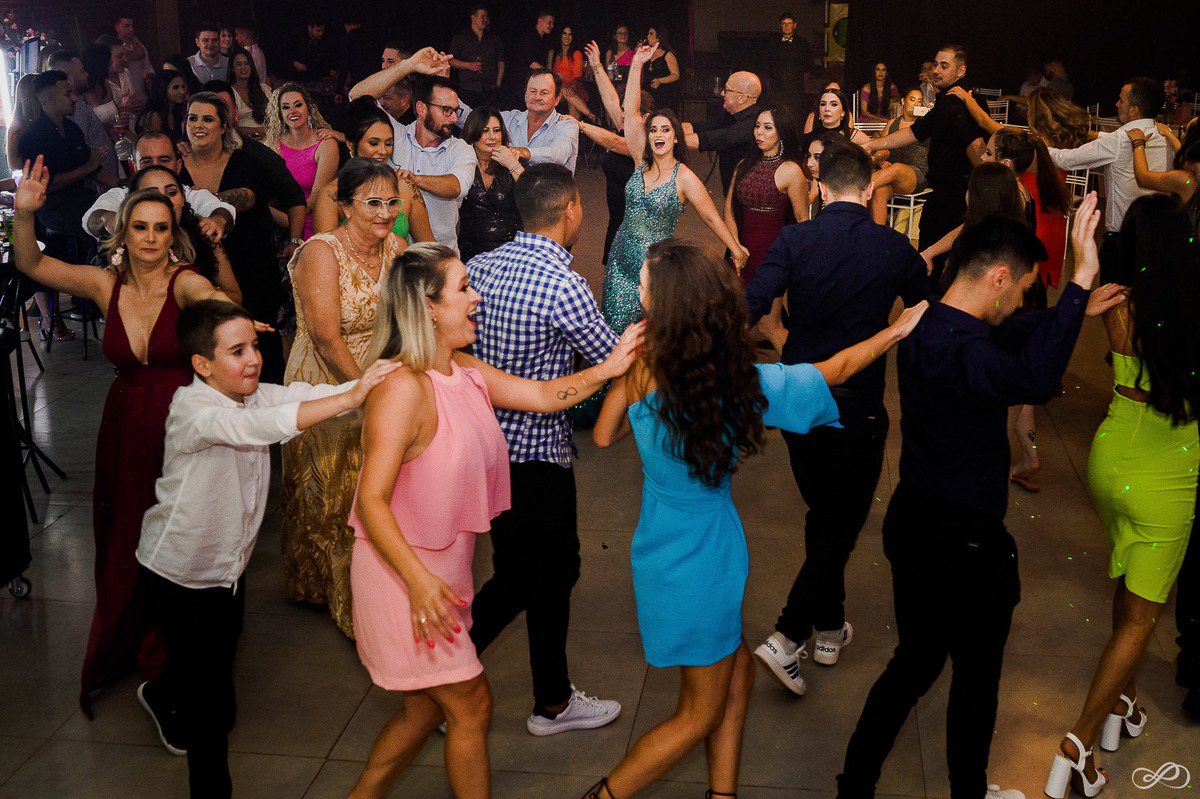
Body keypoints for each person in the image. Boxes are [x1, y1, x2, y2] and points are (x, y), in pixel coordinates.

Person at [587, 239, 927, 799]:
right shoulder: (739, 383)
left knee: (738, 673)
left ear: (667, 304)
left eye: (645, 285)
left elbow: (603, 435)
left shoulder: (643, 366)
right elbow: (835, 368)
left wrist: (628, 387)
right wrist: (893, 332)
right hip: (707, 553)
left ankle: (723, 795)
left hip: (662, 544)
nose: (636, 290)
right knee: (696, 715)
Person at [835, 205, 1126, 799]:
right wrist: (1077, 284)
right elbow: (1034, 379)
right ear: (997, 276)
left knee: (914, 663)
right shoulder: (963, 354)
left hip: (913, 521)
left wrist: (1071, 315)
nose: (1021, 302)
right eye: (1020, 289)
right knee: (975, 681)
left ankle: (853, 787)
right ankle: (968, 791)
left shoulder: (929, 323)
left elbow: (1006, 331)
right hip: (965, 545)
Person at [345, 243, 641, 799]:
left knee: (419, 715)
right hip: (406, 580)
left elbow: (543, 397)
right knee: (472, 705)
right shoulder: (400, 391)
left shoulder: (461, 370)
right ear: (429, 308)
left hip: (442, 578)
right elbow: (371, 502)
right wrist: (417, 580)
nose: (477, 296)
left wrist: (610, 366)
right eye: (463, 288)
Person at [134, 300, 398, 796]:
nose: (254, 359)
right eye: (237, 351)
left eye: (254, 346)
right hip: (179, 575)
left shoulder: (251, 394)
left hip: (228, 571)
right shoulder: (194, 410)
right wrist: (353, 397)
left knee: (215, 673)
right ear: (202, 365)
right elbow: (260, 429)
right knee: (211, 713)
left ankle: (163, 688)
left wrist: (370, 384)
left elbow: (300, 394)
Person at [11, 158, 233, 716]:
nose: (152, 237)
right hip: (123, 425)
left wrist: (233, 327)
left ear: (173, 234)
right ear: (123, 232)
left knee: (176, 542)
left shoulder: (186, 282)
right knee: (125, 536)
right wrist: (25, 212)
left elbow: (211, 303)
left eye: (162, 227)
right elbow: (31, 261)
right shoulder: (103, 285)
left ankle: (168, 658)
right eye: (141, 226)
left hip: (180, 428)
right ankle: (134, 640)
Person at [745, 143, 928, 697]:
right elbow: (929, 315)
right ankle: (787, 635)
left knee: (825, 516)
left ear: (821, 188)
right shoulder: (894, 248)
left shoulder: (796, 239)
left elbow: (752, 299)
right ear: (869, 190)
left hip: (799, 402)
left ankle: (829, 629)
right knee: (840, 526)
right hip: (858, 404)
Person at [1045, 193, 1200, 798]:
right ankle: (1077, 746)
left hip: (1112, 455)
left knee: (1127, 577)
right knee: (1144, 613)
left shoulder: (1118, 300)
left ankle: (1122, 708)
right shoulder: (1191, 307)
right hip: (1170, 462)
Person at [464, 164, 627, 737]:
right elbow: (612, 362)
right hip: (537, 457)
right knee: (545, 573)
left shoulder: (479, 267)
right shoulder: (563, 283)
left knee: (522, 571)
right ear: (572, 210)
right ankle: (541, 701)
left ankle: (530, 694)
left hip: (486, 450)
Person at [279, 159, 409, 636]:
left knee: (371, 489)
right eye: (372, 202)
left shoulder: (397, 247)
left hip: (377, 379)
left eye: (391, 202)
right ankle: (325, 591)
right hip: (327, 385)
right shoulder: (321, 251)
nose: (383, 212)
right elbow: (325, 337)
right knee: (329, 493)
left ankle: (369, 593)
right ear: (345, 204)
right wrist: (365, 395)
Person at [603, 44, 747, 339]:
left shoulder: (684, 177)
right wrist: (638, 65)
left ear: (675, 137)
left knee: (650, 338)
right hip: (620, 258)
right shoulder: (639, 160)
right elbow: (630, 111)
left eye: (666, 130)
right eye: (654, 129)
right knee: (614, 332)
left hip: (656, 268)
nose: (658, 135)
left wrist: (734, 248)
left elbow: (710, 217)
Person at [178, 92, 289, 382]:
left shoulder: (243, 161)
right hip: (200, 268)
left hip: (250, 266)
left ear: (223, 125)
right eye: (192, 118)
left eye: (207, 119)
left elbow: (249, 198)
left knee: (259, 344)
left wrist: (195, 202)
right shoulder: (176, 166)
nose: (198, 125)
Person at [864, 46, 987, 283]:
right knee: (936, 267)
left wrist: (984, 186)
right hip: (944, 194)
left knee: (940, 270)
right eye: (935, 64)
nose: (936, 70)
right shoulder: (946, 101)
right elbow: (915, 132)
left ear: (961, 71)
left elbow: (977, 145)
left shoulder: (958, 102)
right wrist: (872, 146)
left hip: (957, 197)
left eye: (944, 66)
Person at [1050, 78, 1173, 281]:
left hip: (1124, 241)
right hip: (1158, 238)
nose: (1116, 104)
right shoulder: (1166, 134)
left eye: (1121, 100)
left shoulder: (1118, 139)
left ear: (1134, 110)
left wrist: (1037, 145)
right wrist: (1095, 135)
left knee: (1114, 305)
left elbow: (1065, 160)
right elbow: (1116, 141)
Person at [724, 104, 808, 349]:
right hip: (740, 253)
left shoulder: (791, 171)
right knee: (732, 322)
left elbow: (803, 221)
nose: (759, 132)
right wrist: (734, 247)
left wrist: (799, 265)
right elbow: (729, 208)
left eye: (767, 127)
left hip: (772, 257)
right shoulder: (744, 164)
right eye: (757, 126)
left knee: (769, 326)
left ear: (781, 132)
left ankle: (804, 378)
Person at [311, 99, 434, 242]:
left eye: (388, 143)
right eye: (373, 143)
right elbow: (325, 255)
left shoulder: (404, 186)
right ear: (351, 144)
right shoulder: (332, 194)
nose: (383, 151)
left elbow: (429, 247)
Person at [84, 130, 235, 245]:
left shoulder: (188, 194)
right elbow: (92, 219)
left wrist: (218, 220)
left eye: (164, 160)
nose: (155, 167)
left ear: (178, 166)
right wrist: (108, 219)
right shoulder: (120, 195)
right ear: (134, 167)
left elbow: (222, 210)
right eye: (146, 161)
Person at [18, 71, 117, 243]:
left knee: (123, 213)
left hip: (83, 199)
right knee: (102, 229)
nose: (74, 98)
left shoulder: (72, 129)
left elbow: (95, 170)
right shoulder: (32, 137)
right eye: (67, 94)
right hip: (54, 208)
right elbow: (44, 185)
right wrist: (85, 169)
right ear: (48, 99)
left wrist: (131, 185)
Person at [577, 41, 653, 265]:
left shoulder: (643, 141)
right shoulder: (624, 121)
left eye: (628, 112)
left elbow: (613, 142)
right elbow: (610, 99)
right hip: (616, 220)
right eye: (622, 111)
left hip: (635, 224)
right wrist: (597, 65)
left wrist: (580, 125)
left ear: (646, 117)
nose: (621, 115)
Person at [127, 166, 242, 302]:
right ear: (135, 201)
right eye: (153, 194)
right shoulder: (127, 242)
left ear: (182, 198)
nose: (165, 200)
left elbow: (235, 297)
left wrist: (201, 292)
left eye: (171, 192)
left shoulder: (204, 236)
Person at [265, 82, 339, 241]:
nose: (292, 111)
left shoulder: (325, 143)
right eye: (285, 107)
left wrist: (289, 220)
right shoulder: (273, 145)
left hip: (312, 223)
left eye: (298, 105)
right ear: (279, 113)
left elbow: (315, 199)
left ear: (309, 109)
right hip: (279, 221)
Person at [459, 107, 524, 262]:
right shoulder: (461, 161)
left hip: (509, 252)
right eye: (485, 131)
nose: (492, 137)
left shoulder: (513, 162)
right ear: (473, 133)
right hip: (470, 252)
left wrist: (512, 164)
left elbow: (536, 197)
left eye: (496, 130)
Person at [681, 70, 762, 193]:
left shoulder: (752, 123)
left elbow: (712, 139)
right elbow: (702, 127)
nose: (722, 93)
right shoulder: (730, 114)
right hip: (731, 187)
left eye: (727, 90)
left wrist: (666, 139)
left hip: (750, 192)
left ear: (742, 98)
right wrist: (668, 127)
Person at [867, 87, 929, 225]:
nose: (915, 104)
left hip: (915, 174)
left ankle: (855, 190)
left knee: (896, 168)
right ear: (903, 101)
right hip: (889, 175)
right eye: (912, 100)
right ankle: (877, 237)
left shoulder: (925, 125)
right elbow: (881, 149)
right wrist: (881, 162)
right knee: (879, 190)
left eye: (919, 101)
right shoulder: (893, 123)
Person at [501, 70, 580, 172]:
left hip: (550, 187)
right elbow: (477, 118)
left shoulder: (566, 125)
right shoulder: (509, 118)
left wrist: (525, 152)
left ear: (557, 99)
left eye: (544, 93)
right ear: (525, 95)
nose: (537, 97)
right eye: (533, 91)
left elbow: (560, 154)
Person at [450, 4, 505, 108]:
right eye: (482, 16)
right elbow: (451, 60)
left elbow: (501, 62)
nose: (485, 19)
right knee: (468, 119)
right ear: (473, 18)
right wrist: (468, 65)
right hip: (468, 88)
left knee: (489, 119)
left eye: (486, 17)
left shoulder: (494, 38)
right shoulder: (461, 37)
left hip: (489, 89)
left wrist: (497, 84)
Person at [766, 12, 815, 112]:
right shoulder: (772, 42)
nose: (786, 26)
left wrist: (805, 78)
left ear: (794, 25)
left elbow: (809, 63)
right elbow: (767, 62)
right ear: (780, 25)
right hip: (777, 86)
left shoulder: (802, 43)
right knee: (777, 112)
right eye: (784, 23)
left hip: (796, 87)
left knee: (795, 113)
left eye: (789, 23)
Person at [551, 26, 594, 122]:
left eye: (570, 34)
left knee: (570, 97)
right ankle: (592, 116)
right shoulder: (553, 53)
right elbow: (548, 73)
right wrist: (556, 76)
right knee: (564, 90)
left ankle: (575, 130)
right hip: (557, 88)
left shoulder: (576, 53)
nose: (567, 36)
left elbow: (577, 76)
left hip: (574, 87)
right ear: (560, 35)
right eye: (564, 33)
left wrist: (572, 89)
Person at [510, 9, 556, 99]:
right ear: (540, 21)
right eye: (549, 22)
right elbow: (531, 63)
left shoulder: (547, 40)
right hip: (525, 80)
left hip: (539, 80)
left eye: (553, 23)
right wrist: (551, 74)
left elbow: (549, 60)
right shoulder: (528, 38)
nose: (552, 26)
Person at [229, 47, 271, 141]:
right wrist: (259, 130)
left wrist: (268, 132)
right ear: (232, 68)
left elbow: (278, 116)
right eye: (239, 64)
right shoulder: (229, 93)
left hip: (270, 138)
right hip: (243, 141)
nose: (243, 67)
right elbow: (229, 127)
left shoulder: (264, 89)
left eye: (246, 63)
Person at [141, 70, 189, 142]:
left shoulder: (176, 110)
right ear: (163, 89)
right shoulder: (155, 115)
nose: (182, 91)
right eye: (176, 87)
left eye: (183, 86)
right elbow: (156, 145)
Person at [115, 15, 153, 103]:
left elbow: (148, 67)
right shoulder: (115, 50)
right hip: (124, 101)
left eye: (132, 26)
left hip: (142, 98)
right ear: (117, 27)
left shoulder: (139, 46)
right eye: (126, 26)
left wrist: (149, 78)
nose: (131, 30)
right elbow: (134, 55)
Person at [644, 27, 681, 115]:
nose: (648, 36)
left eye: (651, 34)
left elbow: (676, 74)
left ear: (658, 37)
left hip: (665, 93)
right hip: (649, 92)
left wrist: (660, 80)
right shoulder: (648, 53)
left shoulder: (667, 54)